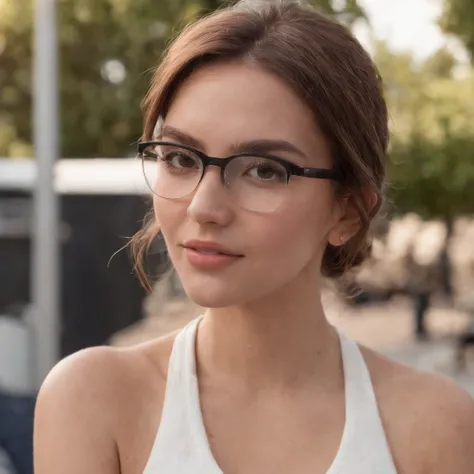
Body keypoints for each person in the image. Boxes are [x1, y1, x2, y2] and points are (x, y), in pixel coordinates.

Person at [34, 1, 474, 473]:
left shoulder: (433, 427)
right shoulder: (96, 401)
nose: (204, 207)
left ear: (348, 210)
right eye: (180, 158)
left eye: (264, 170)